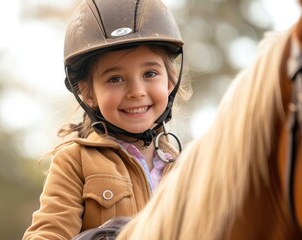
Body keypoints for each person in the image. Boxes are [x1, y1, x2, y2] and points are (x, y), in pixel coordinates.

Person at [23, 0, 192, 239]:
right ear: (89, 93)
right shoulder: (75, 162)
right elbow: (47, 234)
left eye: (150, 74)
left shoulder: (187, 170)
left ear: (170, 82)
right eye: (115, 79)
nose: (136, 91)